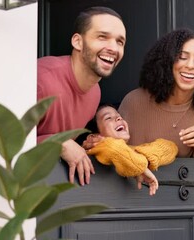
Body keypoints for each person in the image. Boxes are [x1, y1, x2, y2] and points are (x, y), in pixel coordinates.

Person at [37, 6, 126, 186]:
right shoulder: (41, 79)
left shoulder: (95, 93)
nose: (113, 48)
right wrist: (59, 143)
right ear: (78, 42)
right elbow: (1, 143)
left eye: (120, 42)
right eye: (102, 37)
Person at [118, 28, 194, 158]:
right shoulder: (134, 101)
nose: (190, 65)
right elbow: (114, 150)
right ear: (168, 61)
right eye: (182, 57)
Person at [86, 104, 178, 196]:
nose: (118, 118)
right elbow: (112, 147)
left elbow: (171, 147)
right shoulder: (92, 151)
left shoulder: (133, 150)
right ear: (93, 136)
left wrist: (143, 159)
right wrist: (140, 166)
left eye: (119, 116)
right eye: (108, 118)